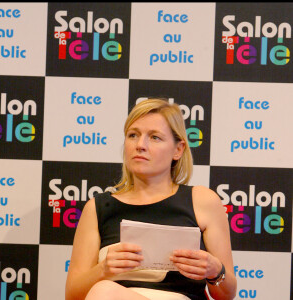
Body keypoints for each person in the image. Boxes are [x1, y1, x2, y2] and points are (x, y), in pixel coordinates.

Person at [65, 98, 237, 300]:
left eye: (155, 137)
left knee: (104, 292)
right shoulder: (98, 208)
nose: (140, 145)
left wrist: (215, 270)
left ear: (178, 149)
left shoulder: (202, 201)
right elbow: (73, 296)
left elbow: (226, 295)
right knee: (103, 292)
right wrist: (103, 269)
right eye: (133, 135)